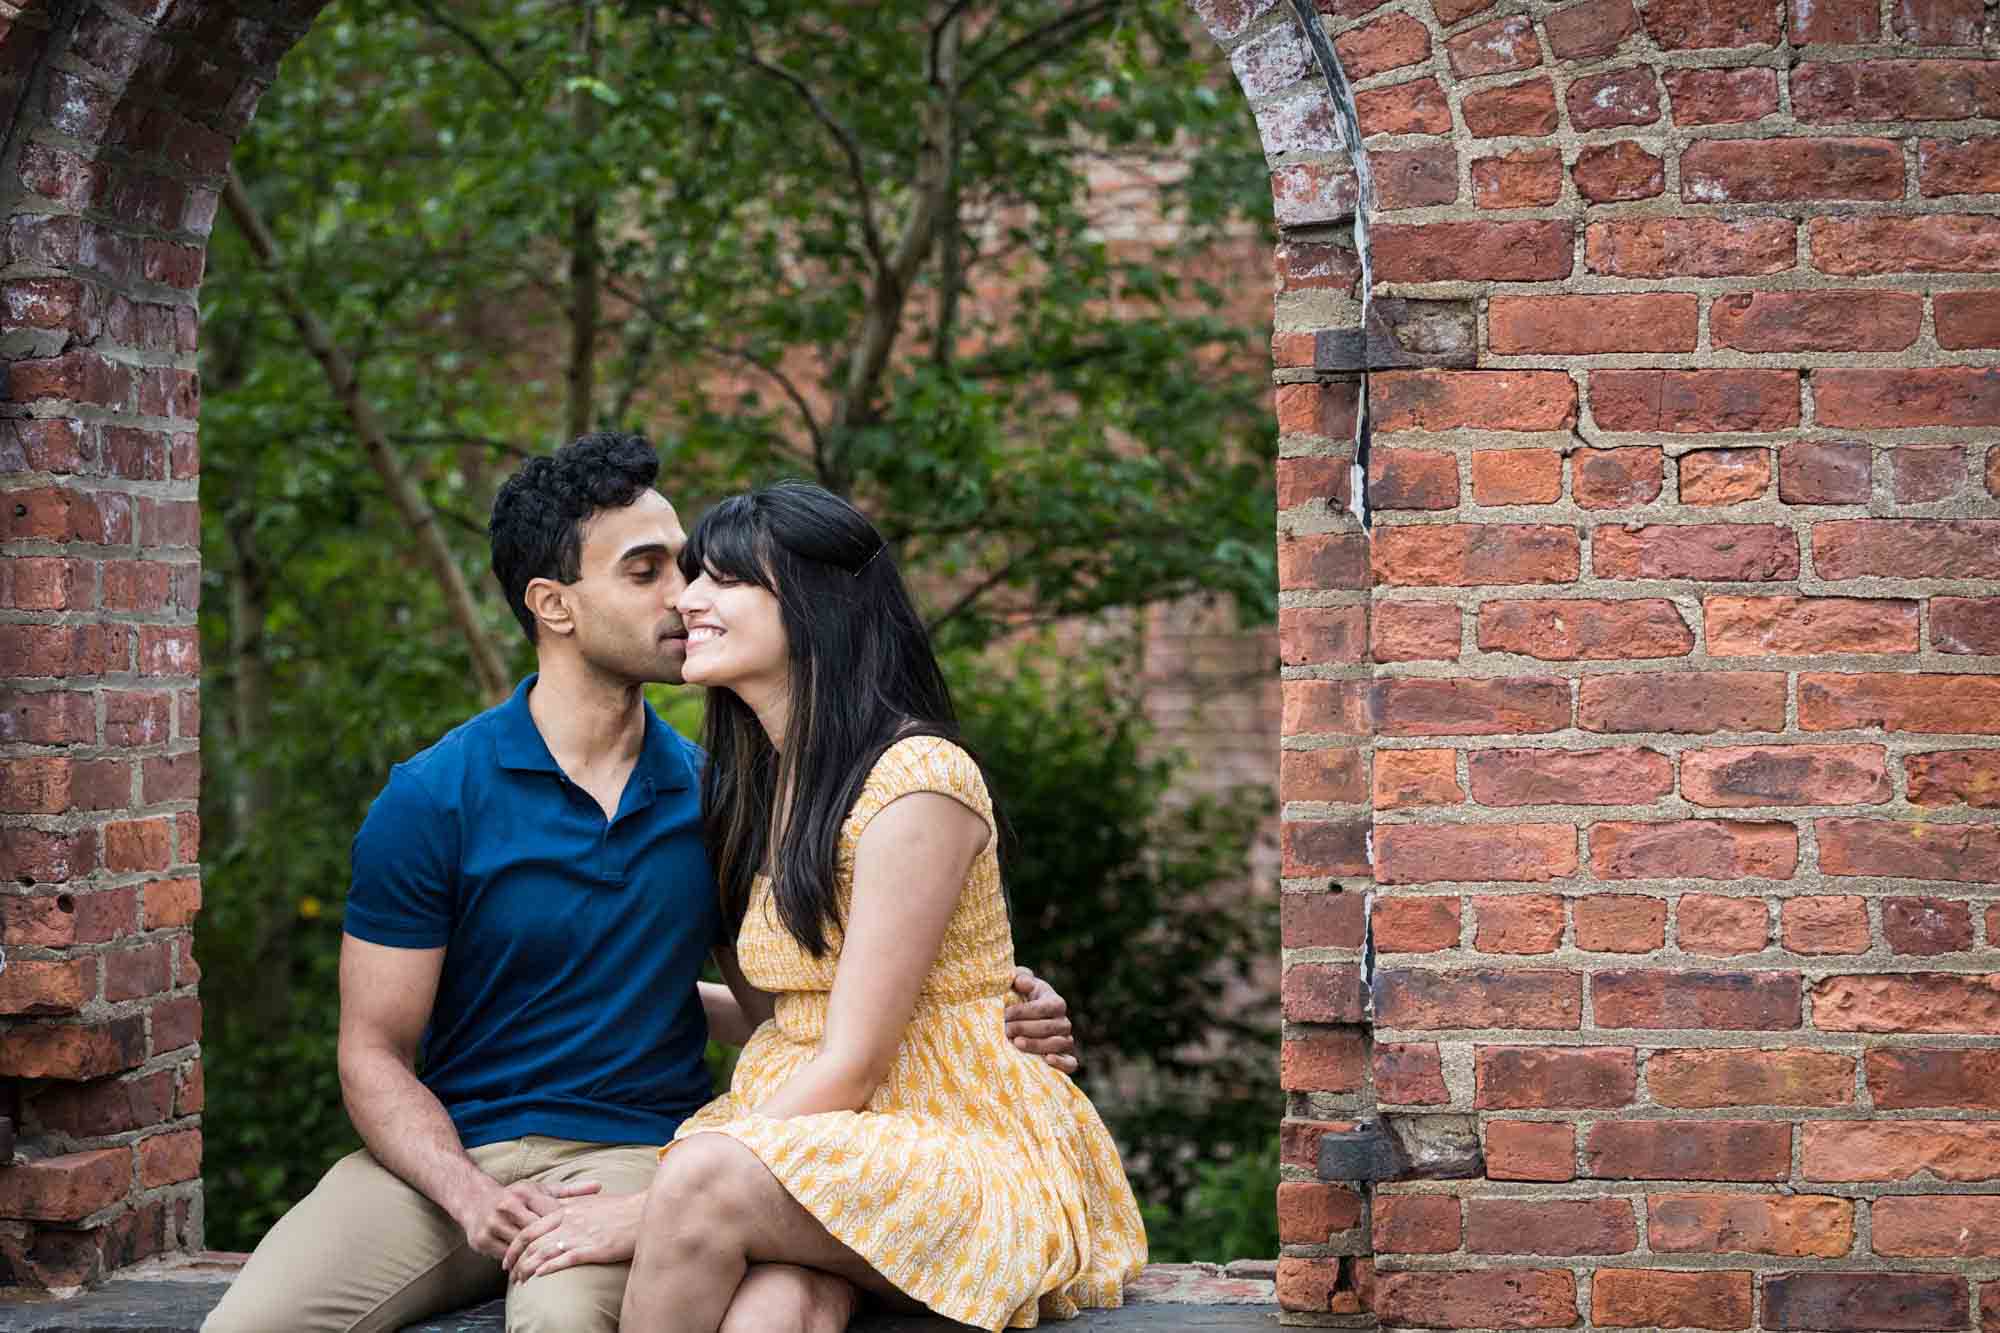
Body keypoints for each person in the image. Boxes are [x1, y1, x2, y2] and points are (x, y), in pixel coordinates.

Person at [201, 436, 1078, 1333]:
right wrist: (466, 1194)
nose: (683, 597)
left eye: (692, 567)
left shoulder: (722, 794)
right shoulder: (433, 796)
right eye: (647, 569)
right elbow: (373, 1052)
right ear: (554, 606)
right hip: (442, 1164)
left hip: (640, 1152)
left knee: (560, 1324)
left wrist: (980, 1017)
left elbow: (795, 1010)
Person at [503, 481, 1147, 1332]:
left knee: (698, 1181)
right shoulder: (761, 787)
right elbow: (789, 1015)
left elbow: (851, 1058)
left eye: (725, 580)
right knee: (778, 1311)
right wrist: (589, 991)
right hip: (832, 1145)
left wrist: (650, 1206)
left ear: (816, 608)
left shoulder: (917, 780)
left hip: (948, 1141)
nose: (688, 600)